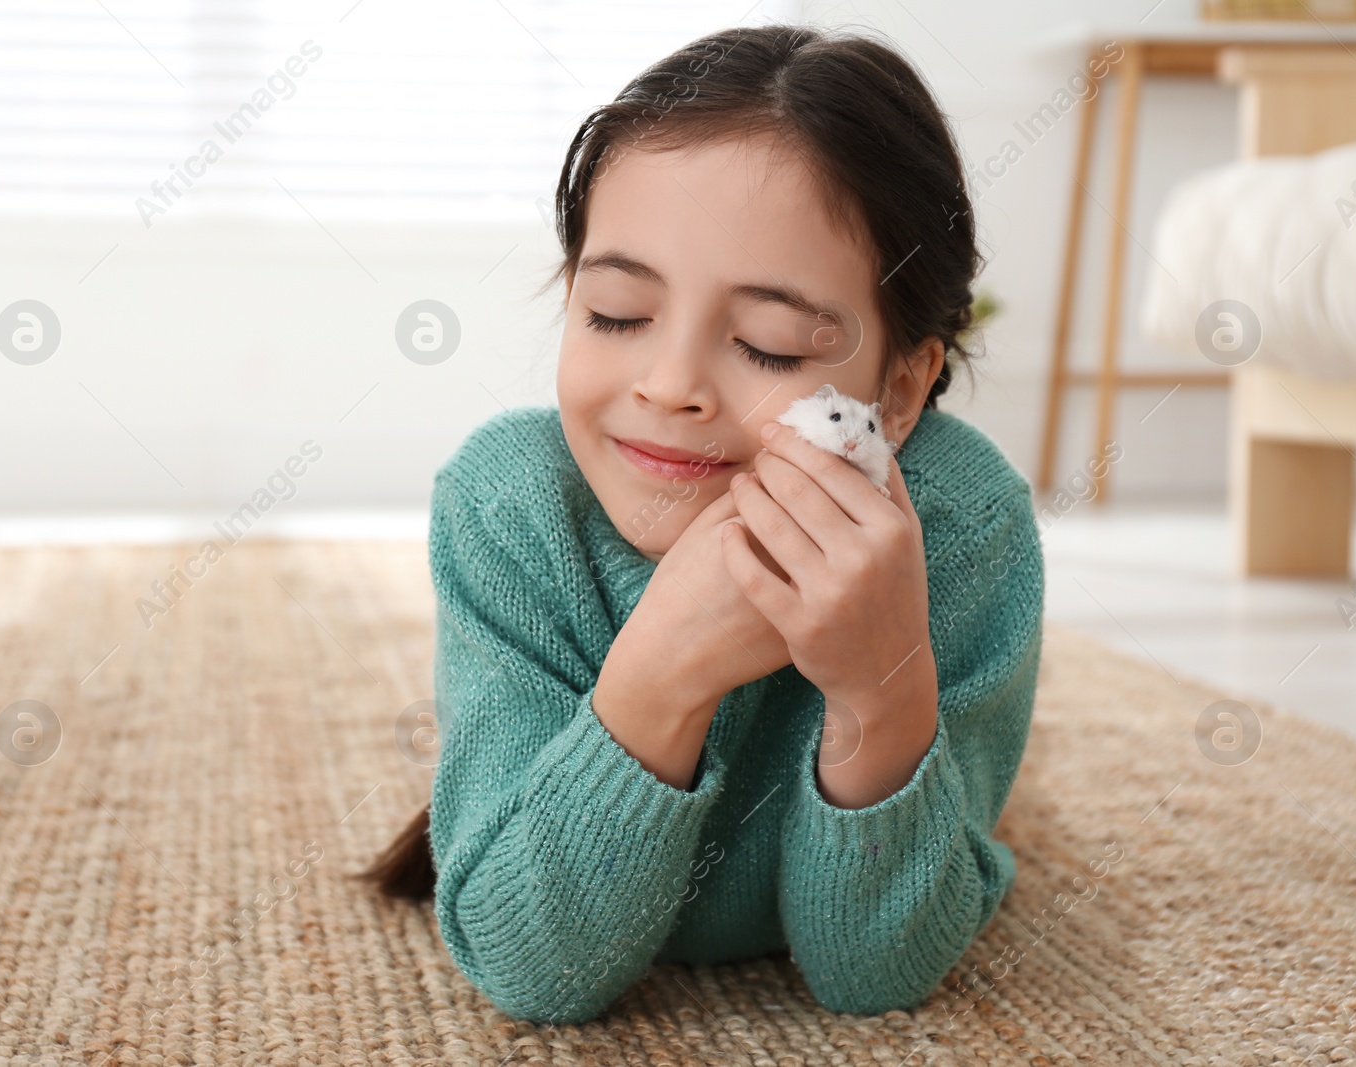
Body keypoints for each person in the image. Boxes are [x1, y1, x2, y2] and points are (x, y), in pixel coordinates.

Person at [362, 22, 1044, 1025]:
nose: (670, 384)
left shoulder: (959, 524)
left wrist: (878, 687)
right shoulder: (509, 503)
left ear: (897, 391)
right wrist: (663, 671)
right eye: (616, 314)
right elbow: (528, 970)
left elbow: (874, 974)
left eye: (766, 344)